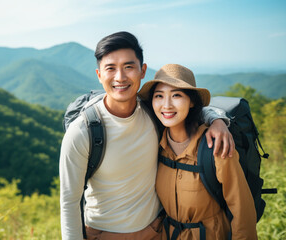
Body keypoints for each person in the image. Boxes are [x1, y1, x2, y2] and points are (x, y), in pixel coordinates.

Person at [59, 31, 235, 240]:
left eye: (128, 67)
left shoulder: (152, 111)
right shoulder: (82, 132)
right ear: (99, 75)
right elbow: (69, 201)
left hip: (156, 231)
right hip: (104, 234)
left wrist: (217, 120)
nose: (120, 77)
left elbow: (186, 107)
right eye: (111, 69)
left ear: (142, 71)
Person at [138, 64, 257, 240]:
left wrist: (218, 121)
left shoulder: (215, 146)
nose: (166, 105)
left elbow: (242, 210)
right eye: (159, 96)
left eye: (176, 95)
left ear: (192, 101)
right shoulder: (155, 144)